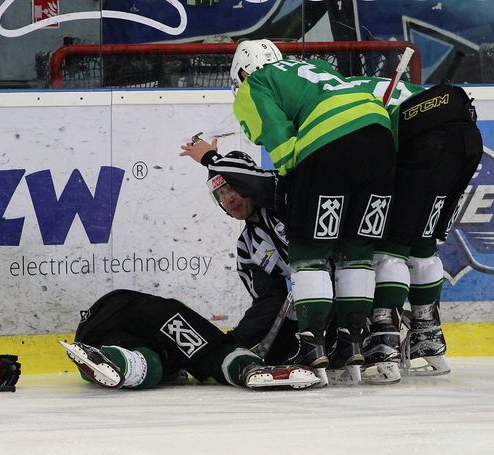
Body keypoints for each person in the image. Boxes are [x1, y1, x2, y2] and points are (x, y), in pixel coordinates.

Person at [229, 39, 397, 385]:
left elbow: (278, 137)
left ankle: (313, 346)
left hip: (329, 144)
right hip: (380, 140)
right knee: (357, 249)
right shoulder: (321, 68)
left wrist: (294, 183)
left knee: (309, 250)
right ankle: (352, 344)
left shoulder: (255, 83)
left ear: (243, 71)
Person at [350, 77, 484, 381]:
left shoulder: (339, 96)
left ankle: (384, 341)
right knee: (423, 245)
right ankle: (428, 336)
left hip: (429, 141)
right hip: (466, 141)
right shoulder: (378, 85)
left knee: (390, 249)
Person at [179, 143, 300, 367]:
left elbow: (260, 181)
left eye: (233, 188)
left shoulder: (280, 197)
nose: (229, 199)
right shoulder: (246, 247)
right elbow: (268, 304)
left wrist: (211, 159)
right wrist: (231, 345)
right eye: (221, 195)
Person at [59, 289, 319, 390]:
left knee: (149, 363)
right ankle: (250, 368)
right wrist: (246, 363)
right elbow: (213, 354)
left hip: (91, 333)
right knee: (208, 354)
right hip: (130, 307)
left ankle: (115, 360)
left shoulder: (162, 355)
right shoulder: (169, 316)